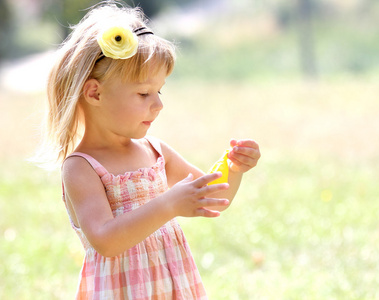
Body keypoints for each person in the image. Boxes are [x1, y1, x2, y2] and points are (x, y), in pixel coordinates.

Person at [33, 1, 260, 299]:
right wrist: (168, 205)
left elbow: (214, 198)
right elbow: (105, 240)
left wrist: (235, 168)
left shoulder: (155, 152)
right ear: (95, 92)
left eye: (159, 91)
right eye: (143, 93)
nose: (158, 104)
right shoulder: (82, 167)